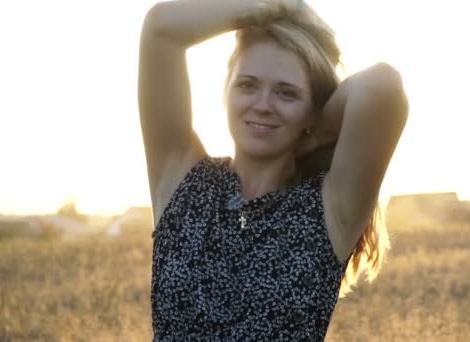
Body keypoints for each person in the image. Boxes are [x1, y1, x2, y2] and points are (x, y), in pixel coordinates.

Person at [138, 0, 408, 340]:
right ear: (225, 94)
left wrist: (318, 132)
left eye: (286, 93)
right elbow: (161, 29)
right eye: (247, 85)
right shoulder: (179, 176)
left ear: (312, 110)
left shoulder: (328, 209)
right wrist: (282, 6)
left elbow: (384, 87)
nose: (263, 105)